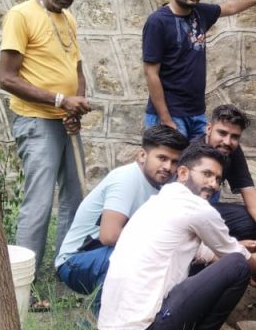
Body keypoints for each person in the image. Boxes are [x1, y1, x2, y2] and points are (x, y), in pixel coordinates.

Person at [97, 142, 256, 330]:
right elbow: (237, 257)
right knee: (237, 264)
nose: (213, 184)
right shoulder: (197, 208)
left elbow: (203, 253)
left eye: (217, 179)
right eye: (206, 174)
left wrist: (245, 254)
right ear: (182, 173)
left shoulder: (159, 202)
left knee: (230, 262)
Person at [0, 0, 92, 306]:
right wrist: (59, 100)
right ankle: (24, 285)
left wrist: (76, 104)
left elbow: (76, 69)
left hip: (65, 120)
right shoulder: (21, 15)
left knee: (75, 198)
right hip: (37, 120)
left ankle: (63, 272)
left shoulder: (68, 19)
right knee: (38, 203)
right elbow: (7, 78)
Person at [142, 0, 256, 138]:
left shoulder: (199, 13)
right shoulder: (158, 22)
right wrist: (166, 120)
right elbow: (151, 73)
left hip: (196, 113)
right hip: (169, 115)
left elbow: (230, 7)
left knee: (201, 155)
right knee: (168, 157)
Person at [55, 125, 188, 313]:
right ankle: (99, 320)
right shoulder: (126, 178)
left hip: (103, 257)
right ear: (142, 155)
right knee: (133, 256)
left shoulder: (160, 188)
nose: (168, 167)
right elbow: (109, 236)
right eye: (162, 158)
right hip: (75, 262)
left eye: (174, 162)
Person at [190, 104, 256, 243]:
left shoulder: (231, 150)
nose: (227, 142)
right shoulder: (192, 153)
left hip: (207, 211)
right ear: (209, 129)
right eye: (222, 133)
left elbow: (249, 190)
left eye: (234, 136)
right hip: (184, 213)